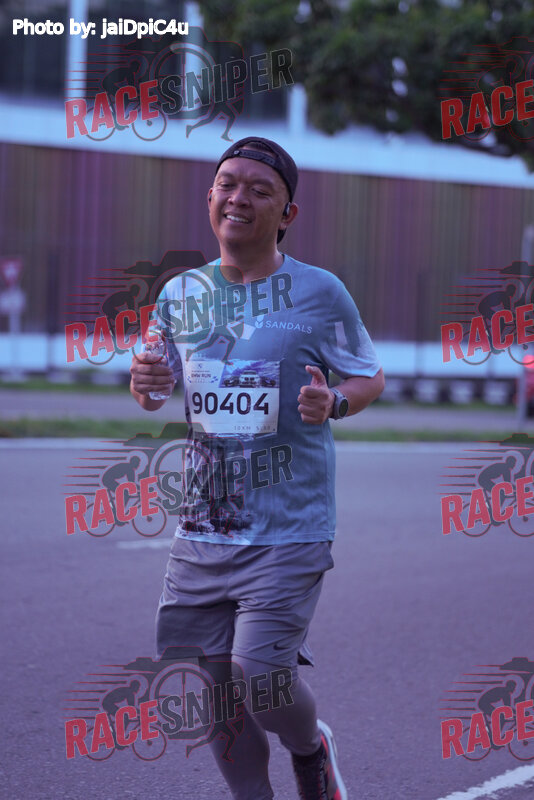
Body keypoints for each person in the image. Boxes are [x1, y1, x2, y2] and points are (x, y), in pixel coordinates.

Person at [130, 136, 385, 800]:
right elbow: (154, 387)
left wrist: (334, 402)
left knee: (260, 676)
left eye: (259, 188)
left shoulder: (319, 292)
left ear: (287, 214)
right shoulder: (180, 293)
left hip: (289, 527)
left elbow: (368, 375)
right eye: (227, 183)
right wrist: (146, 381)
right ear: (210, 197)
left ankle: (310, 746)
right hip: (203, 528)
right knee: (216, 691)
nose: (238, 197)